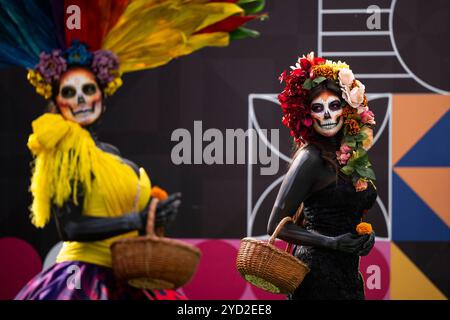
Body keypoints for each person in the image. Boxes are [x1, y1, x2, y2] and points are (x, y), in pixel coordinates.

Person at [0, 0, 267, 300]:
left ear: (103, 93)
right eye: (69, 92)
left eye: (88, 89)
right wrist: (136, 221)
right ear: (57, 100)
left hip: (128, 275)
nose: (81, 99)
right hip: (84, 278)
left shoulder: (109, 153)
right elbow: (72, 227)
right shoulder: (63, 147)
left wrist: (153, 213)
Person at [267, 52, 377, 300]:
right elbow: (275, 225)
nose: (327, 114)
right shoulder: (310, 158)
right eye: (318, 108)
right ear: (307, 116)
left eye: (334, 105)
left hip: (348, 277)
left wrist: (365, 237)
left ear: (347, 109)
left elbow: (344, 212)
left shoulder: (350, 154)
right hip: (316, 278)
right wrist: (332, 242)